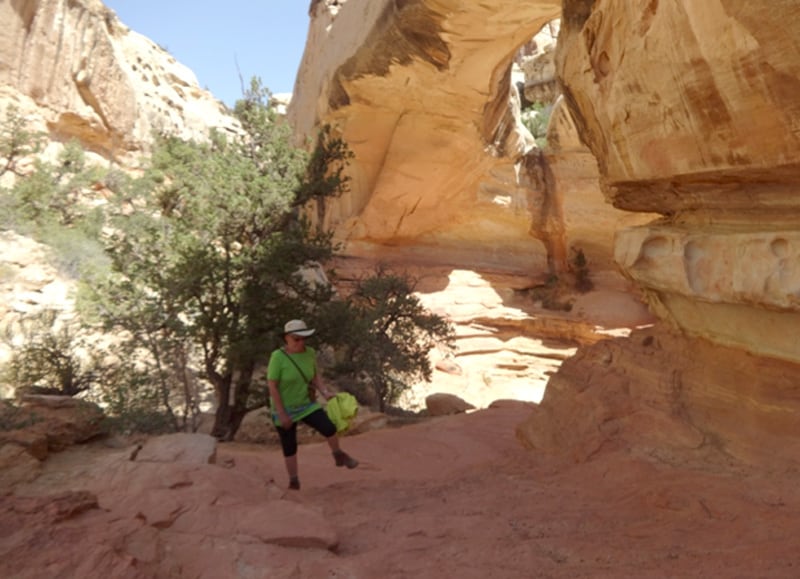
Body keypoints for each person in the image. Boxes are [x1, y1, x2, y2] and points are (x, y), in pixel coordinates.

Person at [267, 319, 358, 490]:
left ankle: (338, 455)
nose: (301, 343)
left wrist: (325, 392)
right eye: (296, 339)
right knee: (289, 446)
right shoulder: (277, 357)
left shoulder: (309, 353)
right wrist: (282, 414)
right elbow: (272, 385)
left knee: (329, 427)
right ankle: (294, 481)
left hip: (305, 404)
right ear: (287, 338)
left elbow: (314, 376)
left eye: (303, 339)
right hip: (284, 408)